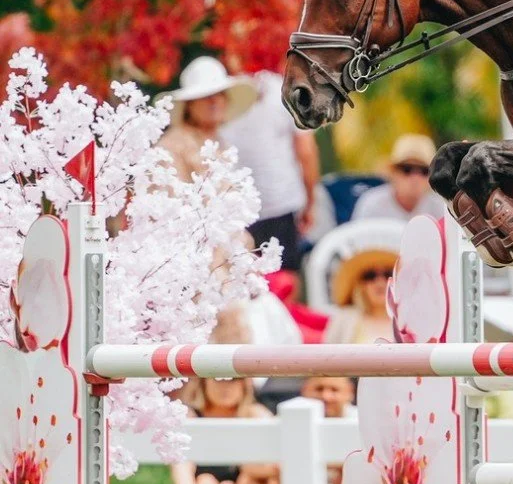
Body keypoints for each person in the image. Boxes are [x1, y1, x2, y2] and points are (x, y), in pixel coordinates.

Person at [220, 70, 320, 277]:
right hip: (280, 203)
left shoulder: (220, 94)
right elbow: (306, 152)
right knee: (285, 284)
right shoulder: (290, 89)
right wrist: (310, 202)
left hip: (236, 209)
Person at [170, 359, 281, 484]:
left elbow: (256, 467)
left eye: (233, 380)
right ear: (204, 382)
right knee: (206, 481)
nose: (225, 387)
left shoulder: (255, 415)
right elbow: (180, 465)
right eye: (218, 379)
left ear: (245, 383)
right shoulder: (190, 417)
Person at [157, 56, 256, 182]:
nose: (214, 101)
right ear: (189, 105)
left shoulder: (222, 142)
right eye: (205, 95)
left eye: (219, 94)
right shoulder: (171, 146)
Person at [324, 226, 401, 344]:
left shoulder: (411, 322)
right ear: (361, 286)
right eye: (370, 276)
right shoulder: (344, 319)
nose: (380, 282)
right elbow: (326, 359)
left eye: (388, 274)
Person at [351, 134, 445, 223]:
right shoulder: (372, 205)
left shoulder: (441, 209)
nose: (415, 177)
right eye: (406, 169)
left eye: (424, 171)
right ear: (393, 173)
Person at [300, 376, 357, 484]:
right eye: (319, 389)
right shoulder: (291, 417)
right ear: (304, 390)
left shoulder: (360, 420)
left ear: (350, 392)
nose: (326, 396)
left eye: (334, 390)